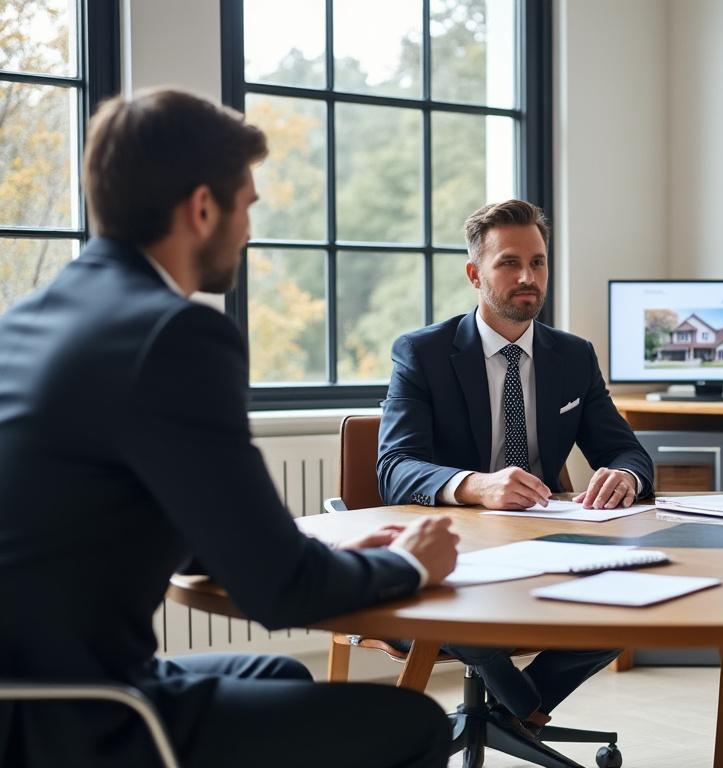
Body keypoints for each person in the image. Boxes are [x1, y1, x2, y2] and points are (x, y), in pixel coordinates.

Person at [0, 89, 461, 767]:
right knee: (414, 722)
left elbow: (130, 514)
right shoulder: (174, 335)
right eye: (247, 205)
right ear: (202, 207)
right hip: (79, 719)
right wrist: (410, 563)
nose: (249, 228)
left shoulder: (33, 320)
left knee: (279, 677)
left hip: (23, 696)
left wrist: (336, 558)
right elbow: (280, 591)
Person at [377, 198, 653, 738]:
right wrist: (477, 486)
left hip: (546, 545)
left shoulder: (573, 357)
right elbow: (396, 466)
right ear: (475, 274)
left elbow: (627, 451)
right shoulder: (422, 353)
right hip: (453, 553)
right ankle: (522, 708)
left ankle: (511, 712)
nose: (528, 277)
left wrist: (626, 475)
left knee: (642, 597)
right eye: (509, 263)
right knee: (466, 614)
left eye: (539, 262)